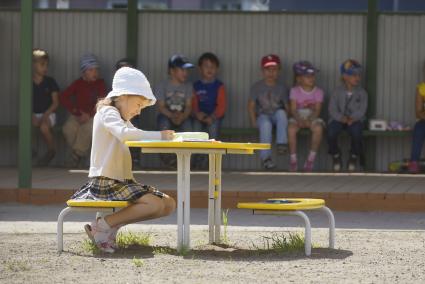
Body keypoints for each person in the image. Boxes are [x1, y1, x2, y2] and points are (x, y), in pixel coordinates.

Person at [71, 67, 176, 253]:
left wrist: (155, 138)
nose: (139, 111)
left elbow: (131, 134)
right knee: (154, 204)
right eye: (138, 104)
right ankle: (101, 226)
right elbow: (125, 134)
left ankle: (110, 227)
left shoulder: (120, 117)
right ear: (123, 96)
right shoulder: (108, 113)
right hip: (106, 181)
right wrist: (158, 135)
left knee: (168, 204)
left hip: (121, 182)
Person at [60, 54, 106, 167]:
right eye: (91, 70)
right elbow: (63, 97)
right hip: (78, 115)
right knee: (68, 129)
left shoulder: (100, 84)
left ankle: (75, 157)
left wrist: (89, 114)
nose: (95, 73)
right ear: (84, 72)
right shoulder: (78, 83)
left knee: (88, 129)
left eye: (96, 70)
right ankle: (79, 155)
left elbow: (104, 102)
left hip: (94, 115)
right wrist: (76, 112)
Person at [248, 54, 289, 170]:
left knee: (281, 114)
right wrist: (253, 120)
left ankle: (282, 144)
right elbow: (251, 105)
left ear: (279, 71)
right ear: (262, 71)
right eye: (267, 70)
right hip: (263, 115)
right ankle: (266, 158)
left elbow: (287, 106)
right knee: (265, 125)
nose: (271, 73)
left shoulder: (282, 87)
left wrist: (288, 119)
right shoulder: (257, 86)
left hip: (277, 115)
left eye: (274, 69)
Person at [327, 59, 368, 172]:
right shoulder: (336, 92)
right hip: (338, 120)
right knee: (331, 132)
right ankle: (335, 154)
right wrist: (341, 118)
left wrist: (353, 118)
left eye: (358, 75)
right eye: (354, 75)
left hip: (355, 120)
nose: (357, 78)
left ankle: (354, 155)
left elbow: (362, 110)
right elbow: (332, 109)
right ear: (345, 76)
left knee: (356, 133)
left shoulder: (362, 93)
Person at [156, 54, 194, 168]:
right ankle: (167, 161)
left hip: (183, 116)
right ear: (172, 71)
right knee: (164, 126)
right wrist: (172, 116)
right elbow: (161, 107)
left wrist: (183, 116)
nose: (185, 73)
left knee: (189, 129)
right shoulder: (162, 85)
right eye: (182, 69)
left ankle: (187, 162)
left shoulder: (188, 86)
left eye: (187, 70)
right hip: (166, 115)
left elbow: (188, 106)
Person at [192, 52, 227, 169]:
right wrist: (198, 114)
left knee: (213, 130)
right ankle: (196, 160)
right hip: (199, 117)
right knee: (195, 131)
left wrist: (212, 117)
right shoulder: (195, 86)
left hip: (214, 118)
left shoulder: (219, 86)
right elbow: (193, 104)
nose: (209, 69)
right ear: (200, 68)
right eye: (206, 66)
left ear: (217, 69)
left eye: (212, 67)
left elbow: (221, 106)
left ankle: (212, 162)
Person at [288, 61, 324, 172]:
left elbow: (317, 110)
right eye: (307, 76)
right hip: (297, 116)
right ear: (299, 79)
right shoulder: (294, 91)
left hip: (312, 116)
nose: (311, 78)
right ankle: (293, 159)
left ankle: (310, 159)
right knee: (291, 130)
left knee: (318, 129)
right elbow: (293, 109)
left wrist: (310, 120)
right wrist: (299, 120)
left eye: (313, 75)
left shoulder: (319, 92)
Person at [31, 48, 60, 166]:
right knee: (27, 126)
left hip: (49, 114)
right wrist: (31, 115)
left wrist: (46, 115)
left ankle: (51, 150)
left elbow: (56, 103)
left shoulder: (50, 81)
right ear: (33, 65)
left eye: (46, 65)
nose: (45, 68)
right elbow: (24, 103)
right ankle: (31, 152)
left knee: (44, 127)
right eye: (42, 64)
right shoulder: (27, 82)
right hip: (33, 114)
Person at [114, 58, 142, 167]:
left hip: (133, 118)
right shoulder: (114, 87)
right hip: (117, 120)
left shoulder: (138, 88)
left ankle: (134, 160)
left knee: (135, 129)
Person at [408, 63, 425, 173]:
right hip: (424, 121)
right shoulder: (421, 88)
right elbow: (418, 113)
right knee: (419, 129)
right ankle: (414, 162)